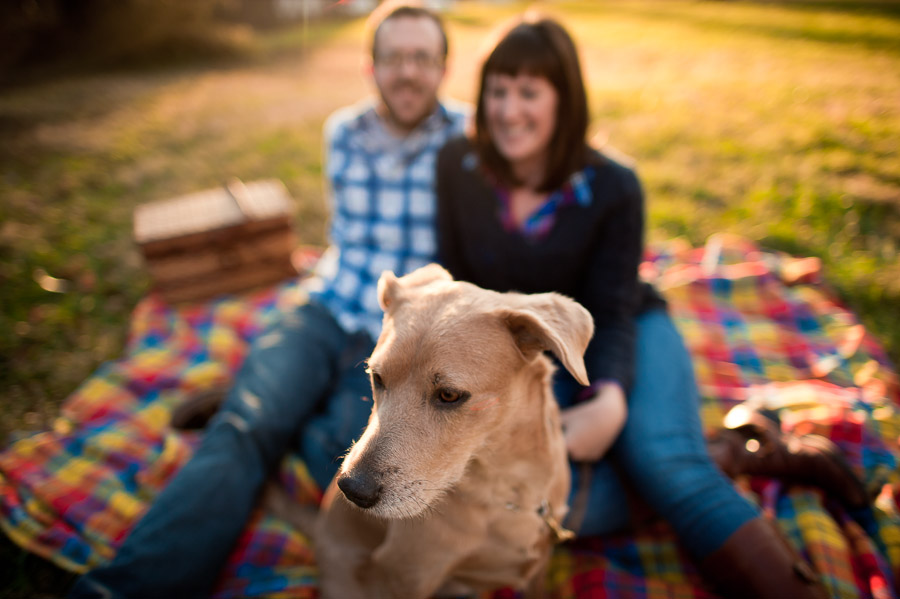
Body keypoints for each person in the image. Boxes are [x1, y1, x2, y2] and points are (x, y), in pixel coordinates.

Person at [435, 14, 866, 598]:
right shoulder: (457, 165)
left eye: (529, 92)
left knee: (667, 467)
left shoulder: (614, 186)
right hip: (531, 351)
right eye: (498, 90)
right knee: (527, 501)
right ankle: (734, 452)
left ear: (564, 100)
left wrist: (608, 395)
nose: (509, 110)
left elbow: (611, 307)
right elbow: (459, 285)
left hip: (623, 328)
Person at [68, 4, 468, 598]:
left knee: (346, 459)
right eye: (393, 58)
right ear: (370, 66)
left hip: (400, 340)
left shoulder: (468, 141)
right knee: (246, 426)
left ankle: (288, 409)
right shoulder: (343, 131)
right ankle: (125, 588)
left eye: (421, 59)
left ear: (442, 67)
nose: (407, 72)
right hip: (324, 308)